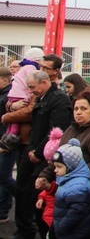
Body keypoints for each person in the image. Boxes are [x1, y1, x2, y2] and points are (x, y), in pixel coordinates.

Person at [37, 90, 90, 239]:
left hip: (89, 197)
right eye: (76, 109)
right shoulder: (71, 130)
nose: (78, 113)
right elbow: (59, 159)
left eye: (84, 109)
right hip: (68, 195)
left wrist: (73, 174)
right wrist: (45, 175)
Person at [11, 68, 72, 239]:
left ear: (44, 83)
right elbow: (36, 128)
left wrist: (38, 152)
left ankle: (41, 230)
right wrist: (31, 149)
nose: (30, 91)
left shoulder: (59, 99)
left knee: (37, 195)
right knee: (22, 190)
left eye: (32, 87)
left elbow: (56, 130)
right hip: (32, 150)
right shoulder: (41, 98)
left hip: (45, 156)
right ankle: (24, 230)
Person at [0, 48, 44, 152]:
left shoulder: (36, 86)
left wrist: (7, 117)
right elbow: (8, 105)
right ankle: (10, 136)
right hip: (23, 137)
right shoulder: (30, 72)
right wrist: (11, 106)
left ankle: (11, 136)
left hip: (28, 137)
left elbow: (29, 112)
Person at [51, 139, 90, 239]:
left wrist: (61, 227)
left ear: (71, 166)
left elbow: (76, 211)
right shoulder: (67, 179)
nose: (55, 170)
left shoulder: (78, 186)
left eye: (59, 167)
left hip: (73, 232)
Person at [36, 127, 63, 238]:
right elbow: (46, 192)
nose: (52, 167)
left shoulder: (61, 176)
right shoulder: (54, 172)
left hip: (57, 216)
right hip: (49, 214)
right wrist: (41, 198)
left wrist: (48, 187)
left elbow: (56, 189)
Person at [0, 67, 14, 223]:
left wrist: (4, 142)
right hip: (4, 139)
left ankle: (4, 209)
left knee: (3, 176)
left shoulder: (8, 97)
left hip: (6, 142)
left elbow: (7, 122)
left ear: (5, 80)